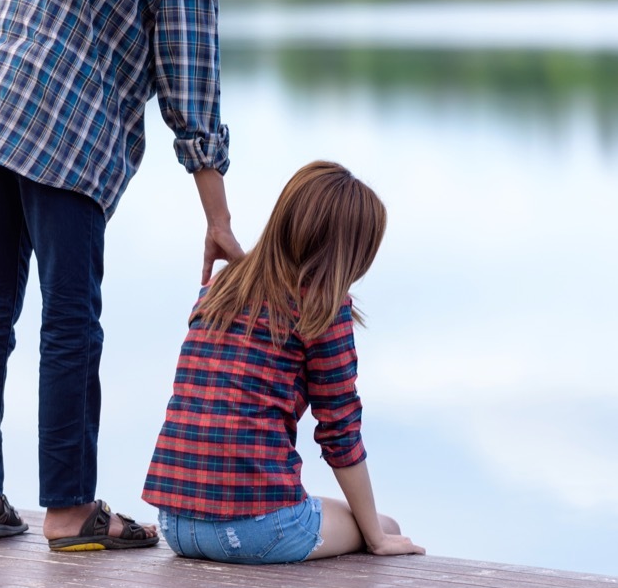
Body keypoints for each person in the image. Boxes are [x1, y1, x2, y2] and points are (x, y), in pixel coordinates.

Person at [0, 0, 242, 551]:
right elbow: (189, 80)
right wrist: (218, 216)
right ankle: (70, 509)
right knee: (70, 322)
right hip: (67, 121)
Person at [142, 161, 425, 564]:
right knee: (385, 527)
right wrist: (377, 537)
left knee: (334, 513)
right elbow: (340, 431)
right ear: (351, 251)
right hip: (251, 530)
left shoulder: (221, 285)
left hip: (175, 524)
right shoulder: (322, 307)